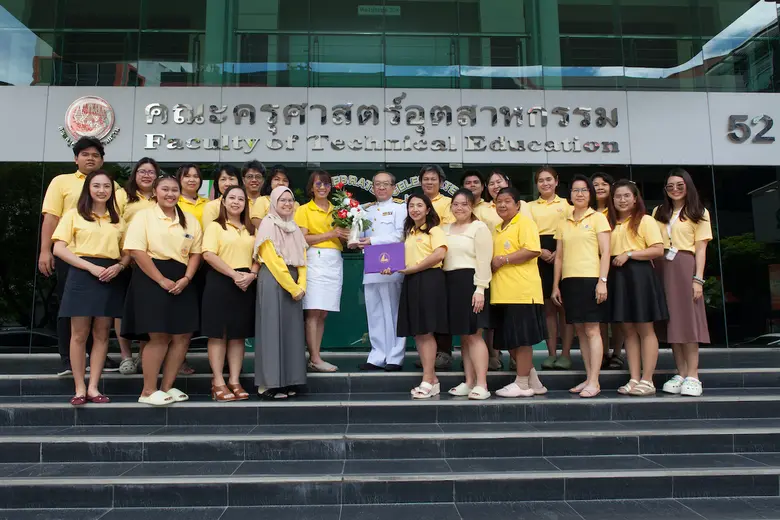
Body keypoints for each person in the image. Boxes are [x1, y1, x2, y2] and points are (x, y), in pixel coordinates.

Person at [39, 136, 121, 376]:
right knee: (71, 309)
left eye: (95, 155)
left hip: (106, 260)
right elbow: (51, 218)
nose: (90, 158)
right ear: (76, 159)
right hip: (72, 255)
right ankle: (68, 359)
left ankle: (98, 359)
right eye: (85, 154)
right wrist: (45, 250)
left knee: (101, 315)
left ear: (102, 160)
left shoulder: (112, 186)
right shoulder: (61, 182)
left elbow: (119, 218)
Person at [122, 175, 203, 406]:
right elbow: (137, 251)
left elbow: (196, 252)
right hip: (151, 277)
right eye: (165, 189)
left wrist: (187, 277)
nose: (170, 194)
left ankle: (167, 387)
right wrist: (160, 280)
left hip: (183, 279)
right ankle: (148, 390)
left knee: (182, 335)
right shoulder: (144, 216)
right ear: (155, 191)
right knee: (158, 335)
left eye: (174, 190)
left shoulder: (189, 220)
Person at [52, 170, 130, 405]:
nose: (102, 190)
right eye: (96, 186)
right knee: (79, 334)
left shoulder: (118, 220)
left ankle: (94, 387)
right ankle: (79, 387)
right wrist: (90, 268)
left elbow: (127, 252)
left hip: (109, 274)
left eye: (107, 186)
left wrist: (119, 267)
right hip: (82, 273)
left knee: (101, 333)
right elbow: (59, 249)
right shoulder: (74, 215)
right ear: (88, 188)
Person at [654, 168, 712, 397]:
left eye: (679, 185)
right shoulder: (659, 211)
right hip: (662, 266)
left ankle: (693, 375)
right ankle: (680, 372)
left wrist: (698, 279)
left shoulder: (699, 211)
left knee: (688, 321)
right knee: (672, 323)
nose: (675, 190)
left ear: (688, 186)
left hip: (685, 265)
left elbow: (701, 249)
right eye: (670, 186)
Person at [551, 175, 611, 398]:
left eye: (584, 190)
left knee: (592, 329)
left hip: (591, 279)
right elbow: (559, 257)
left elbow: (605, 253)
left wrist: (602, 281)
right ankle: (588, 377)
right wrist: (556, 285)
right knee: (580, 331)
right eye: (576, 190)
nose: (580, 194)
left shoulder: (597, 218)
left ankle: (595, 380)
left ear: (590, 194)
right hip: (569, 281)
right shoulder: (564, 222)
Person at [609, 180, 668, 396]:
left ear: (635, 198)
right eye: (618, 196)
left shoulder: (645, 220)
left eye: (626, 196)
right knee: (628, 330)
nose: (622, 200)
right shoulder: (610, 222)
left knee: (645, 328)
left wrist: (630, 254)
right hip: (618, 275)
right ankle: (634, 378)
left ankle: (648, 379)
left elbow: (658, 249)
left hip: (640, 275)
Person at [201, 185, 258, 402]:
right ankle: (218, 381)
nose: (236, 202)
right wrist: (234, 275)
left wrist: (251, 275)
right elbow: (208, 254)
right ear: (223, 202)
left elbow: (259, 256)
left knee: (238, 335)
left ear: (246, 204)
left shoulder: (251, 229)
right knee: (218, 334)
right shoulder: (216, 227)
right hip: (221, 281)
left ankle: (234, 379)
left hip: (246, 283)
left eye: (240, 199)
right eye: (231, 198)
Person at [491, 187, 548, 398]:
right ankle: (534, 380)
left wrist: (503, 259)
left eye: (507, 201)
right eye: (499, 201)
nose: (503, 205)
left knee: (522, 340)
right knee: (510, 340)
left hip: (522, 291)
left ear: (518, 205)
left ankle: (522, 383)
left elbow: (533, 249)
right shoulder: (498, 228)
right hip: (502, 293)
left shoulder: (524, 223)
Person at [254, 186, 309, 399]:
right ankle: (268, 383)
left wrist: (302, 285)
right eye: (282, 200)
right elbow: (272, 260)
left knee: (291, 332)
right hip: (274, 280)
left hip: (294, 282)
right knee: (271, 331)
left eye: (290, 200)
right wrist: (294, 287)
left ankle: (288, 380)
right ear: (274, 203)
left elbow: (302, 258)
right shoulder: (268, 224)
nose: (286, 204)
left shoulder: (293, 227)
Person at [394, 193, 448, 399]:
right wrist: (391, 267)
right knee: (418, 332)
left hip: (429, 280)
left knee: (426, 331)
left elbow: (439, 254)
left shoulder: (434, 230)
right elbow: (401, 259)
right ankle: (431, 379)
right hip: (412, 280)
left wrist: (414, 268)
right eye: (411, 206)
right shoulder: (409, 232)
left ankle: (428, 379)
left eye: (419, 205)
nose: (415, 209)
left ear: (428, 209)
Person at [295, 170, 349, 373]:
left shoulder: (339, 210)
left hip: (334, 259)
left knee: (323, 312)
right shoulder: (303, 210)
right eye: (318, 184)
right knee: (313, 310)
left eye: (326, 184)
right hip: (314, 259)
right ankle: (314, 358)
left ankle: (316, 355)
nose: (322, 188)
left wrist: (349, 235)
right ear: (311, 187)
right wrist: (331, 233)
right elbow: (302, 239)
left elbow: (342, 237)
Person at [354, 171, 407, 372]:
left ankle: (395, 356)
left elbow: (400, 235)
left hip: (391, 266)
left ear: (393, 187)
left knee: (392, 312)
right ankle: (377, 355)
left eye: (386, 184)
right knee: (374, 312)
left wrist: (372, 241)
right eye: (377, 184)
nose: (381, 188)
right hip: (371, 266)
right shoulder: (365, 210)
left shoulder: (399, 209)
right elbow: (358, 235)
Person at [443, 189, 492, 400]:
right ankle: (469, 381)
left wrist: (480, 289)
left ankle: (482, 383)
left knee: (474, 335)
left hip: (471, 284)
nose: (459, 208)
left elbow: (484, 260)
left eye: (464, 204)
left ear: (472, 206)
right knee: (463, 336)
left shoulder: (479, 227)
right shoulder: (445, 229)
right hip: (451, 284)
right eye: (455, 204)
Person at [529, 166, 574, 371]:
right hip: (538, 255)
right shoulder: (529, 207)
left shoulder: (567, 205)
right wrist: (540, 250)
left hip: (564, 253)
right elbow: (527, 232)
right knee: (547, 308)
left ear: (556, 181)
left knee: (564, 307)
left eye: (549, 180)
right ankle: (551, 354)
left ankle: (565, 354)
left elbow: (572, 230)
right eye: (541, 180)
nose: (545, 184)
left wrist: (559, 251)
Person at [420, 164, 454, 370]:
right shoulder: (416, 202)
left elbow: (447, 231)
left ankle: (444, 353)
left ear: (441, 182)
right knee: (427, 310)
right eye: (426, 179)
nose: (429, 182)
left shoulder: (449, 203)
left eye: (433, 179)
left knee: (442, 310)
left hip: (443, 262)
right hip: (420, 264)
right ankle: (428, 355)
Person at [592, 172, 624, 370]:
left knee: (617, 311)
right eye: (595, 184)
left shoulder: (618, 212)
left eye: (604, 184)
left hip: (617, 263)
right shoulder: (589, 212)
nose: (600, 187)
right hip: (594, 264)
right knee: (600, 313)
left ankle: (618, 353)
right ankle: (602, 353)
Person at [120, 158, 159, 224]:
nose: (146, 176)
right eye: (142, 171)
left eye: (151, 172)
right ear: (135, 174)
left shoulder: (162, 196)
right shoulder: (122, 193)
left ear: (156, 176)